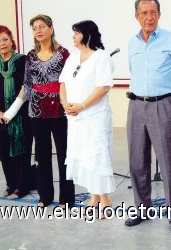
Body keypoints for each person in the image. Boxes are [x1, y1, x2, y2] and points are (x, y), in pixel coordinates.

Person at [124, 0, 171, 233]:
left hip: (162, 105)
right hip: (135, 106)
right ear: (137, 16)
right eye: (144, 13)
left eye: (153, 13)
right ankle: (142, 208)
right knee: (137, 162)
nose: (148, 17)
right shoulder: (132, 42)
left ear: (159, 15)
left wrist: (169, 101)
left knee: (168, 161)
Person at [60, 20, 115, 214]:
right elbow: (63, 83)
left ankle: (105, 200)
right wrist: (65, 104)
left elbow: (103, 87)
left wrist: (82, 106)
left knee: (97, 156)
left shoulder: (101, 57)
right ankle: (94, 197)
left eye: (76, 32)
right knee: (83, 156)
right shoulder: (72, 57)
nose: (73, 36)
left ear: (87, 34)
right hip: (74, 117)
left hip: (94, 115)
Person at [22, 14, 75, 208]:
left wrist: (70, 103)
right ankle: (45, 196)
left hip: (59, 109)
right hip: (36, 110)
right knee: (42, 155)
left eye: (42, 26)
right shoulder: (30, 55)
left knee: (64, 154)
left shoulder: (64, 53)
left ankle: (67, 198)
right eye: (35, 27)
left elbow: (70, 81)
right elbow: (27, 84)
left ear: (51, 29)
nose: (38, 30)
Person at [0, 25, 33, 199]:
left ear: (12, 41)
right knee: (5, 152)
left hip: (21, 115)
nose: (2, 43)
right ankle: (10, 184)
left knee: (22, 151)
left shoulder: (24, 61)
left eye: (5, 39)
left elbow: (26, 88)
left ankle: (22, 187)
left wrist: (11, 112)